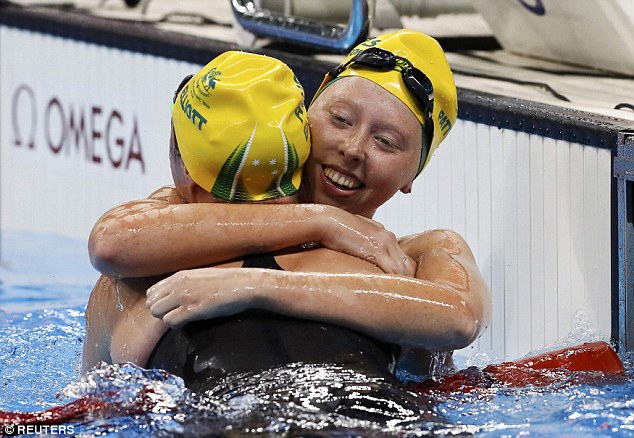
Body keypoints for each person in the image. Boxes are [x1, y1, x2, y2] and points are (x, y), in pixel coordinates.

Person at [84, 30, 491, 381]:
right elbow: (112, 243)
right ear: (306, 113)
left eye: (386, 142)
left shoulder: (419, 254)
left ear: (412, 175)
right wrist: (321, 221)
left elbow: (460, 317)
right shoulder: (189, 215)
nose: (352, 149)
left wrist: (256, 288)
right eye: (341, 119)